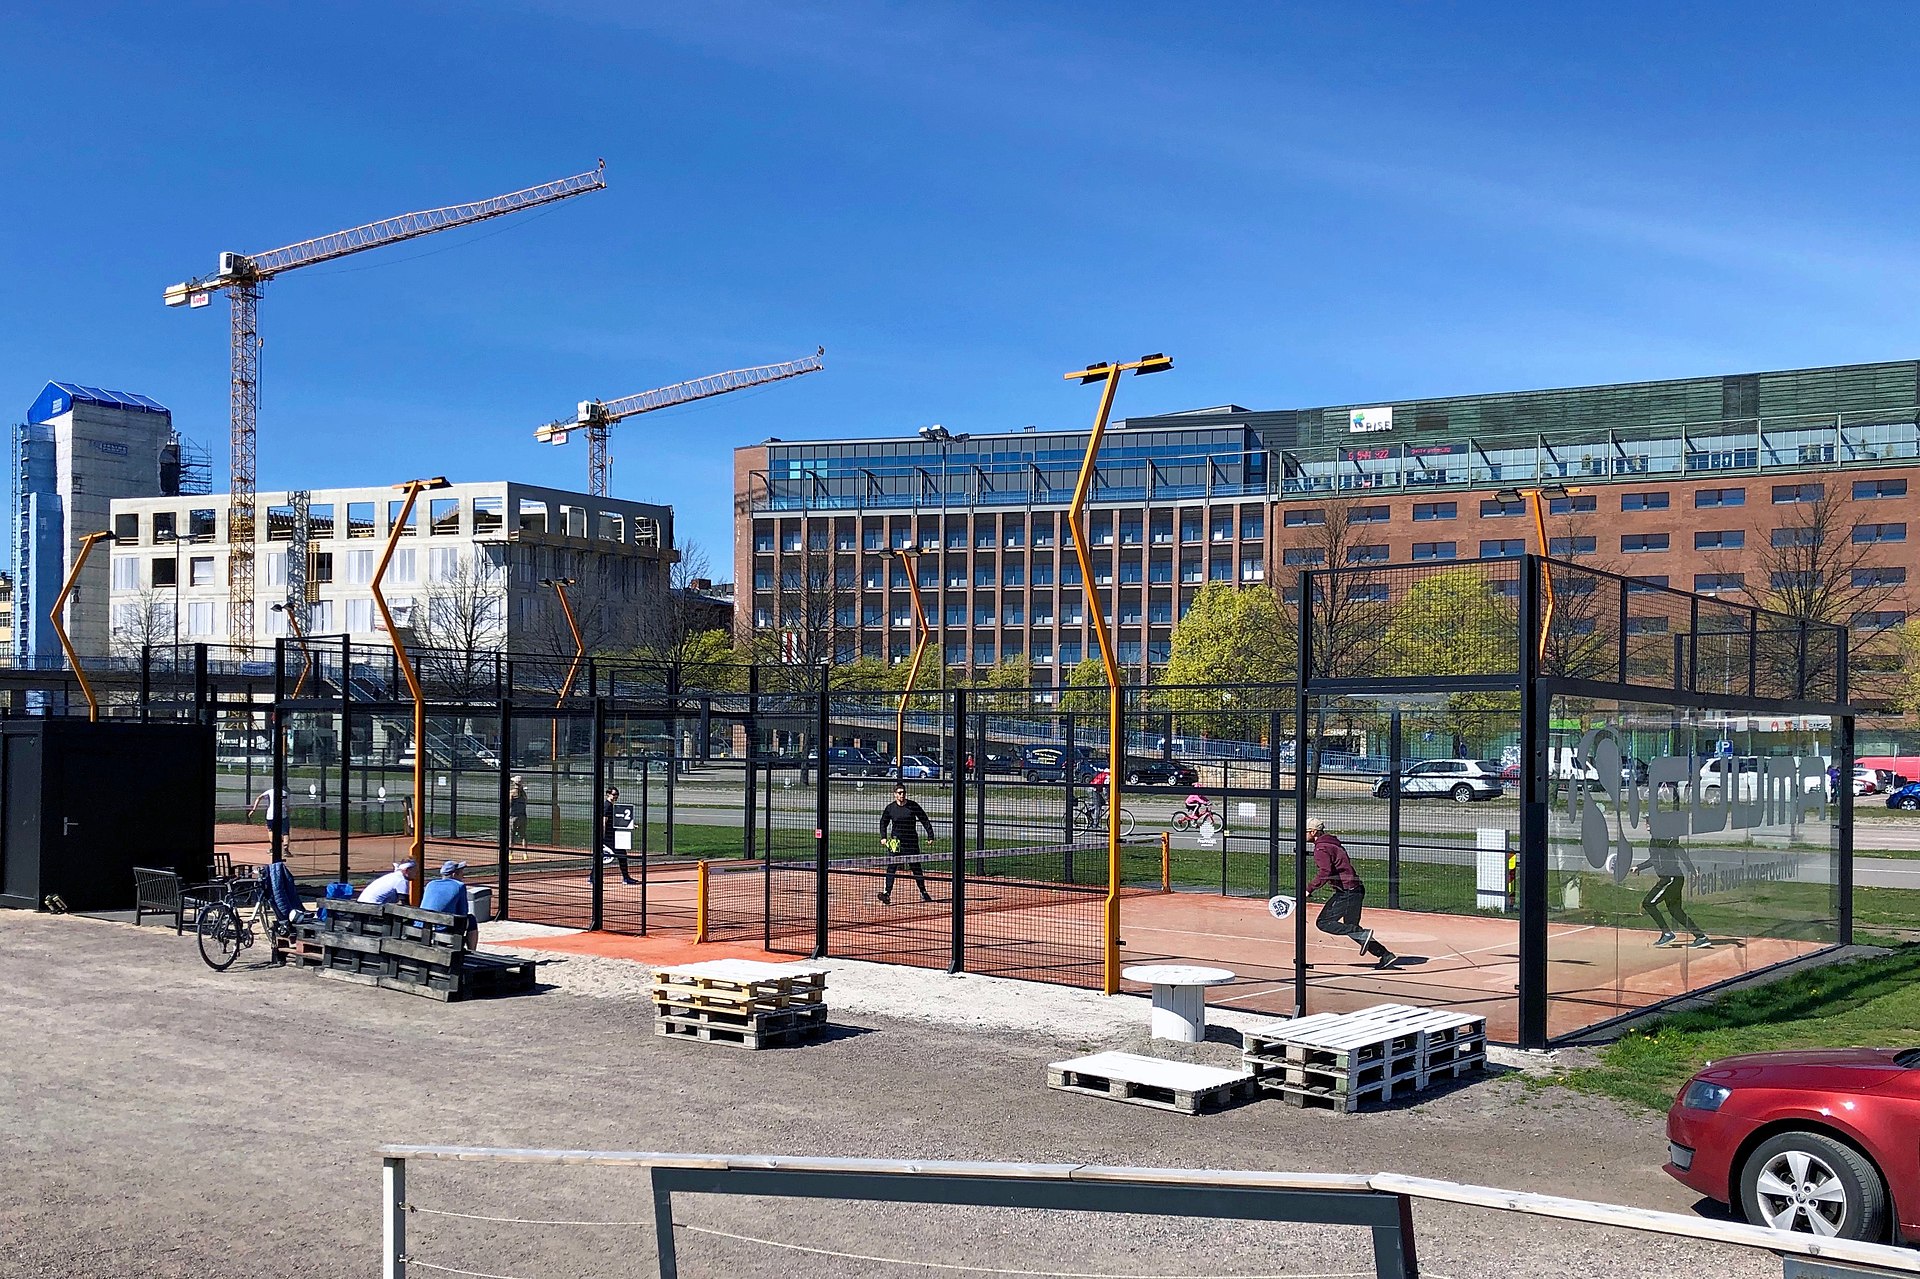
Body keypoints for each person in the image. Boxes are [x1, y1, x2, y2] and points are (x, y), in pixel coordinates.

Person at [1304, 818, 1398, 969]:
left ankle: (1374, 945)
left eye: (1305, 832)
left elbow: (1325, 872)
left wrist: (1309, 889)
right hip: (1355, 889)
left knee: (1323, 923)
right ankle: (1385, 955)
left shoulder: (1321, 848)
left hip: (1347, 891)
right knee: (1351, 926)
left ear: (1313, 832)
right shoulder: (1332, 843)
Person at [1641, 837, 1709, 948]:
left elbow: (1679, 849)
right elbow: (1654, 859)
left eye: (1649, 821)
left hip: (1670, 878)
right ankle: (1701, 937)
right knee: (1675, 910)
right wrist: (1639, 867)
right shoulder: (1654, 840)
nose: (1646, 824)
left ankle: (1667, 933)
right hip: (1673, 878)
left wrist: (1691, 868)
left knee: (1648, 903)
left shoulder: (1662, 838)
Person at [877, 783, 936, 904]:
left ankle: (923, 892)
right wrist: (883, 837)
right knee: (891, 868)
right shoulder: (890, 808)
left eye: (903, 792)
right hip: (896, 843)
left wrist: (930, 835)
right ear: (895, 794)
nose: (902, 795)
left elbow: (924, 819)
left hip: (911, 843)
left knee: (916, 868)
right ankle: (887, 894)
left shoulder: (912, 806)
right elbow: (883, 822)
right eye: (899, 793)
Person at [420, 859, 478, 933]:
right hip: (442, 928)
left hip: (421, 926)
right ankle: (472, 945)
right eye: (461, 872)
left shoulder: (430, 884)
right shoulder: (459, 885)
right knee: (471, 919)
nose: (463, 875)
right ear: (454, 875)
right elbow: (463, 912)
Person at [600, 786, 637, 885]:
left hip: (613, 835)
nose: (616, 796)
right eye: (614, 794)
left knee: (602, 856)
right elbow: (604, 821)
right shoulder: (607, 806)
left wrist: (630, 825)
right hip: (608, 837)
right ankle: (626, 878)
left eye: (617, 795)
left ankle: (593, 877)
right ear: (608, 794)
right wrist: (602, 837)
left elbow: (618, 820)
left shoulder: (612, 806)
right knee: (622, 854)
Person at [506, 776, 529, 859]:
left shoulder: (512, 793)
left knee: (511, 836)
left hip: (513, 817)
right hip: (523, 816)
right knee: (523, 835)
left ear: (514, 783)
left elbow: (508, 804)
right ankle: (525, 854)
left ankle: (510, 854)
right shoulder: (524, 794)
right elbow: (526, 803)